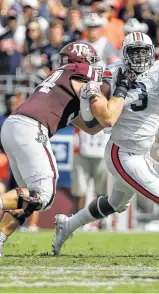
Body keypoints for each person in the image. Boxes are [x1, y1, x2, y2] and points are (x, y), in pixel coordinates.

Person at [52, 32, 159, 255]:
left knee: (114, 203)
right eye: (135, 50)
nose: (141, 56)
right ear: (125, 53)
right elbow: (98, 107)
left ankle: (68, 225)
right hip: (122, 151)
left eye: (144, 50)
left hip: (140, 152)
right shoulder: (113, 72)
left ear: (151, 52)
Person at [0, 41, 111, 257]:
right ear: (80, 62)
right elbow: (100, 108)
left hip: (15, 125)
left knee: (30, 200)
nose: (93, 67)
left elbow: (91, 127)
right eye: (90, 61)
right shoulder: (79, 72)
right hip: (31, 126)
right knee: (43, 195)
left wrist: (110, 118)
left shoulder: (60, 81)